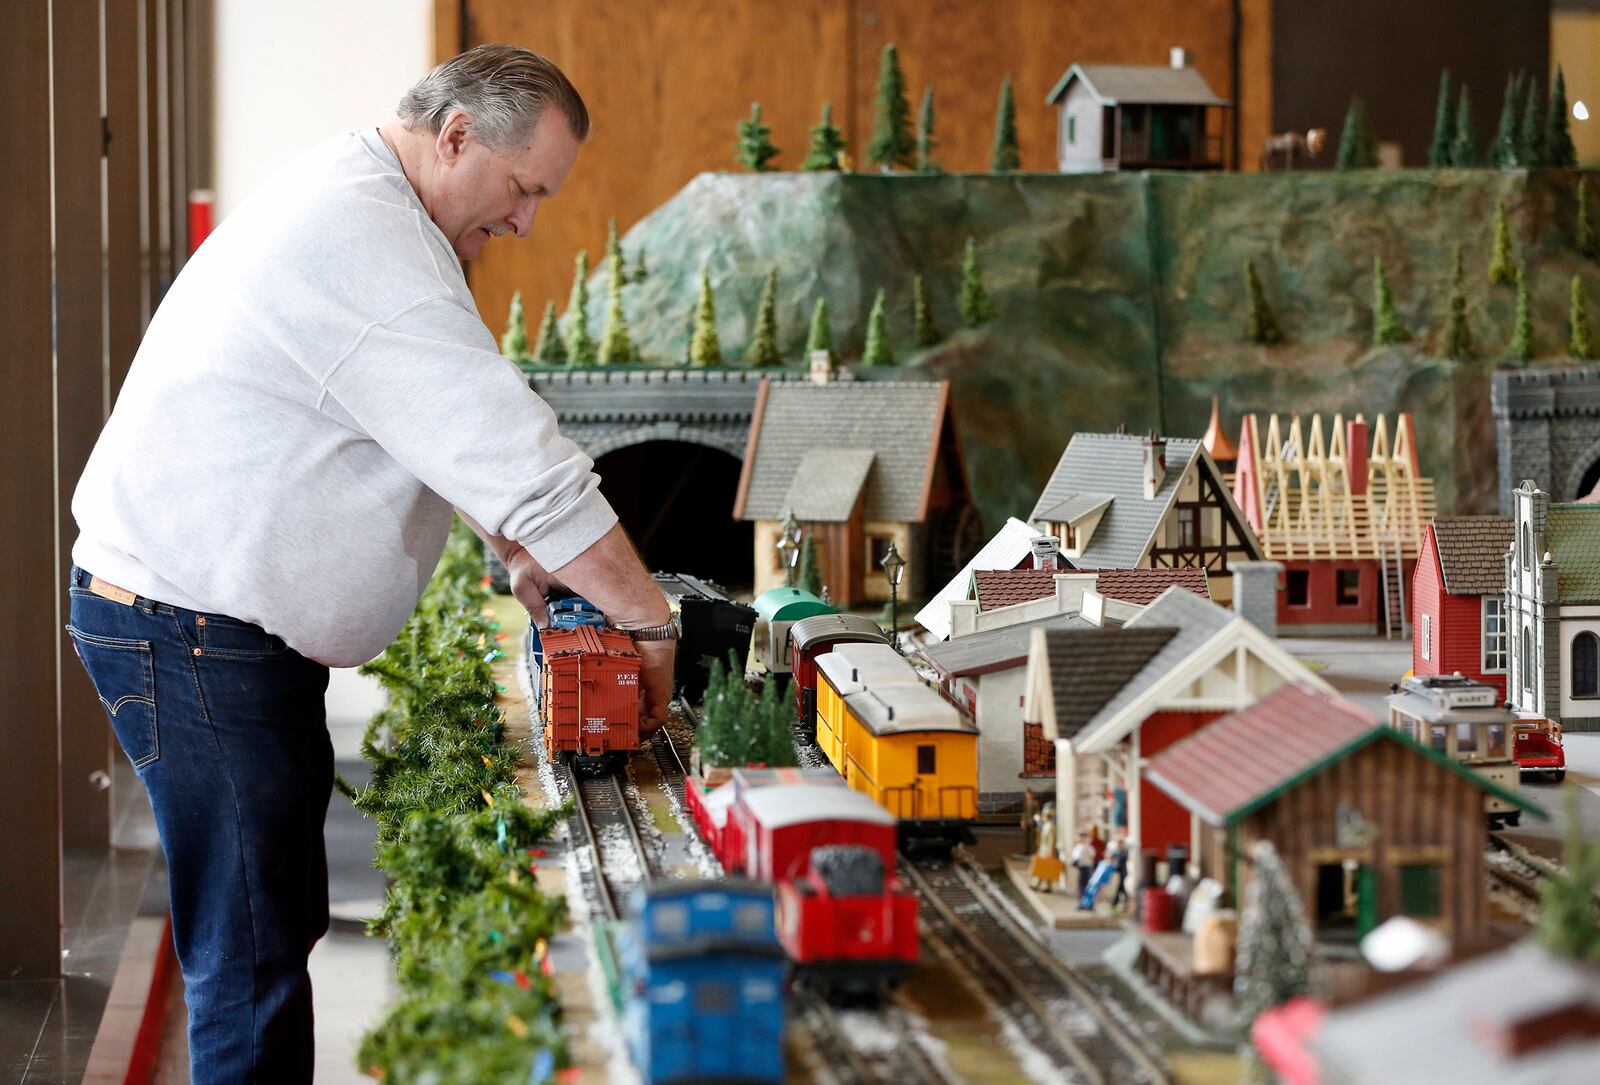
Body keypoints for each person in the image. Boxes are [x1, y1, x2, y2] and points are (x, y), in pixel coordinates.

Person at [64, 46, 673, 1085]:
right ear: (456, 137)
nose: (527, 222)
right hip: (190, 632)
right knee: (249, 956)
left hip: (209, 629)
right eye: (525, 190)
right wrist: (652, 621)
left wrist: (516, 550)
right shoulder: (364, 238)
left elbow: (427, 418)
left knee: (270, 927)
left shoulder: (373, 209)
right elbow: (514, 452)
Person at [1070, 832, 1096, 900]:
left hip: (1086, 867)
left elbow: (1092, 855)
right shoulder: (1079, 846)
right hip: (1081, 867)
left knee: (1084, 885)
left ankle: (1085, 901)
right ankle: (1082, 900)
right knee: (1081, 885)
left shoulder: (1086, 846)